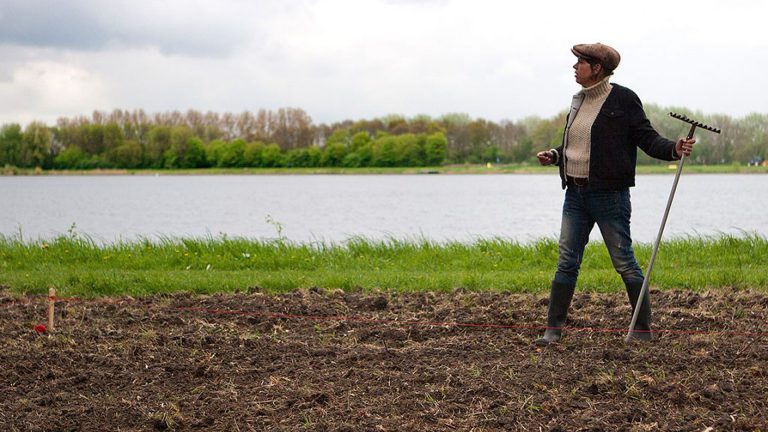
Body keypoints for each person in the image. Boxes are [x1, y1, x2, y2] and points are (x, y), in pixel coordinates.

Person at [534, 43, 696, 346]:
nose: (574, 67)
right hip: (575, 195)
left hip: (609, 197)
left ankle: (642, 329)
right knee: (567, 261)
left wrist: (674, 149)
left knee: (624, 261)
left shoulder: (624, 99)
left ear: (597, 68)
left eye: (580, 62)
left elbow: (647, 139)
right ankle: (553, 330)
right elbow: (578, 143)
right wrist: (556, 155)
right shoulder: (579, 100)